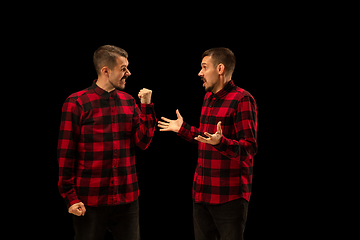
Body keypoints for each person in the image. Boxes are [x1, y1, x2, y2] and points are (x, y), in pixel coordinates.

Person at [57, 45, 156, 240]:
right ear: (105, 71)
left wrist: (146, 106)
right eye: (123, 68)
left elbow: (143, 142)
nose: (128, 73)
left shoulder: (129, 101)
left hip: (127, 198)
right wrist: (70, 197)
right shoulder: (76, 102)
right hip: (89, 200)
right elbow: (65, 154)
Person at [158, 47, 258, 240]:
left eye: (204, 67)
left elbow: (249, 148)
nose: (200, 73)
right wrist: (183, 128)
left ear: (220, 68)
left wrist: (222, 142)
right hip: (202, 193)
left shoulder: (242, 99)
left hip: (228, 197)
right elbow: (207, 137)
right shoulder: (208, 98)